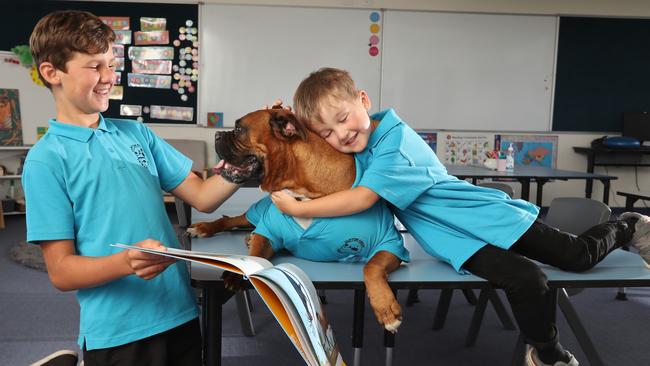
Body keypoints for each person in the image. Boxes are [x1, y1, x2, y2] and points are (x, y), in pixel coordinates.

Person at [270, 67, 650, 366]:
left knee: (576, 257)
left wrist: (298, 209)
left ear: (363, 100)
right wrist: (290, 124)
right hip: (454, 240)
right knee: (527, 278)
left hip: (487, 217)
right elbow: (318, 156)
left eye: (343, 118)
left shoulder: (395, 144)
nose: (341, 134)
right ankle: (547, 353)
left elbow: (363, 198)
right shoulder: (359, 147)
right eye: (328, 132)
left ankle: (627, 226)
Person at [23, 10, 240, 365]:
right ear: (52, 73)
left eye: (111, 64)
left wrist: (244, 166)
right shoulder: (47, 160)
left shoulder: (136, 133)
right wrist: (126, 262)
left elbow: (204, 196)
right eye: (95, 66)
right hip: (118, 331)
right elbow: (61, 271)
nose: (110, 77)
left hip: (179, 312)